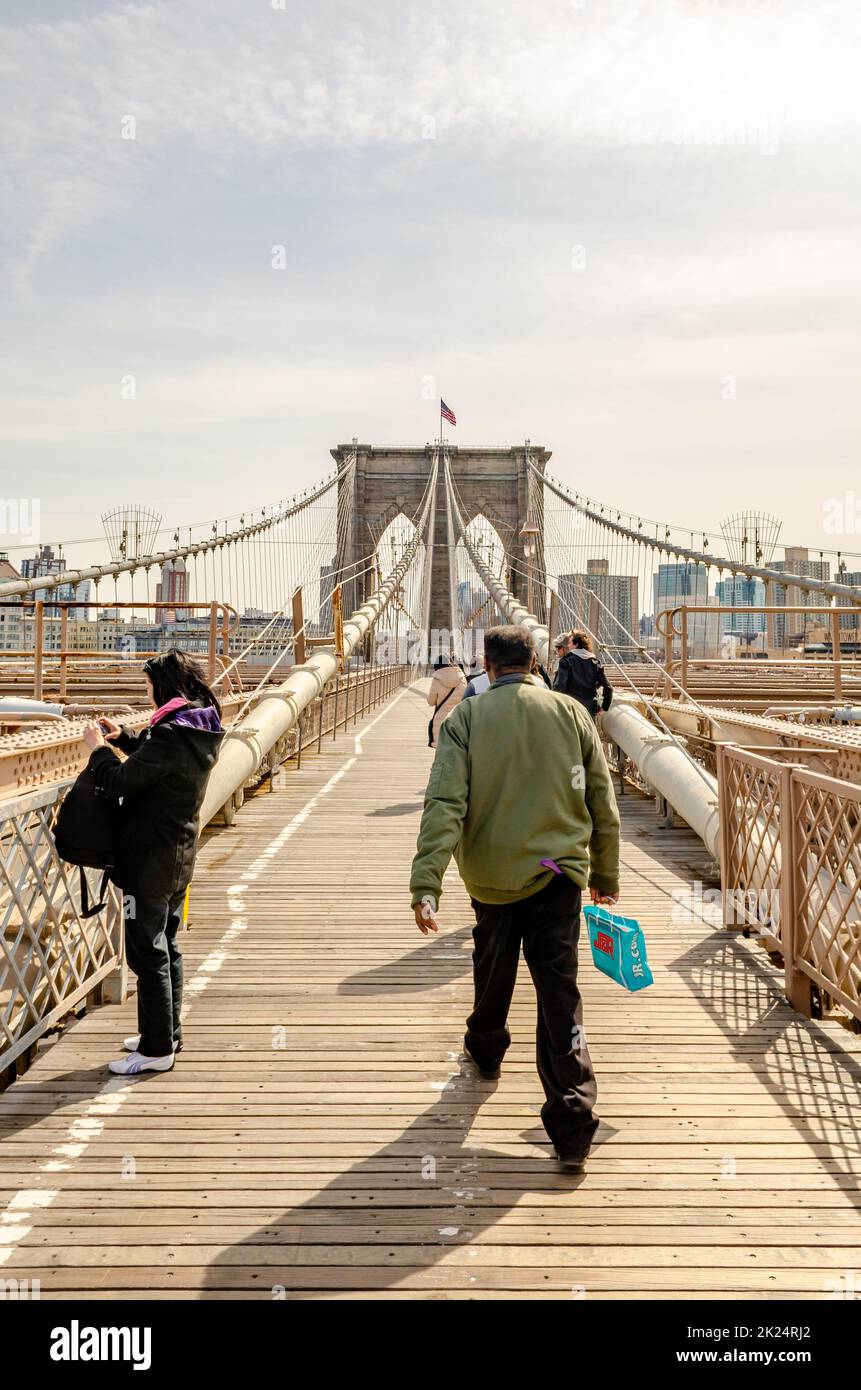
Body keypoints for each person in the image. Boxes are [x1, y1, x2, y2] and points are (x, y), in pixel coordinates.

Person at [410, 625, 620, 1173]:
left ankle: (485, 1049)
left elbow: (444, 804)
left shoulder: (466, 719)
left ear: (487, 664)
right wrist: (607, 873)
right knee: (559, 992)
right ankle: (573, 1124)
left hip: (491, 877)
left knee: (493, 962)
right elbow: (602, 800)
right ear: (533, 661)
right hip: (559, 873)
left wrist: (426, 884)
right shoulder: (572, 716)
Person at [81, 649, 223, 1076]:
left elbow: (121, 779)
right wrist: (123, 737)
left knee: (146, 953)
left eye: (148, 686)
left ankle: (157, 1048)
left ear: (163, 687)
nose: (146, 693)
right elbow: (154, 758)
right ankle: (166, 1031)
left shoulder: (169, 735)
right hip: (178, 857)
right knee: (168, 945)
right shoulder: (197, 728)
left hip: (149, 862)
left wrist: (97, 751)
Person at [553, 628, 614, 717]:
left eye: (570, 643)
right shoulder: (595, 662)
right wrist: (604, 707)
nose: (568, 646)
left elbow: (559, 687)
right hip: (589, 712)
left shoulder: (566, 661)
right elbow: (608, 688)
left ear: (576, 644)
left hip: (571, 711)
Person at [426, 653, 467, 749]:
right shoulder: (462, 677)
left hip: (441, 723)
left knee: (441, 753)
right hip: (459, 720)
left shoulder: (436, 679)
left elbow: (431, 702)